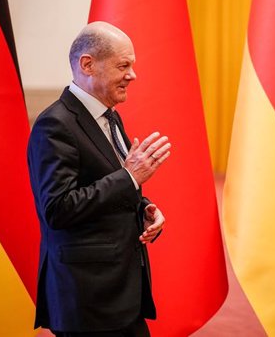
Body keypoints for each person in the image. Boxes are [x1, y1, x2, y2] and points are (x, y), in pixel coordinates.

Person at [28, 21, 171, 336]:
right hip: (86, 298)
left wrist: (143, 207)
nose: (132, 75)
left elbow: (107, 180)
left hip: (120, 291)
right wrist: (130, 177)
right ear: (88, 65)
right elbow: (58, 208)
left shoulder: (110, 115)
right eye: (123, 65)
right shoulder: (55, 125)